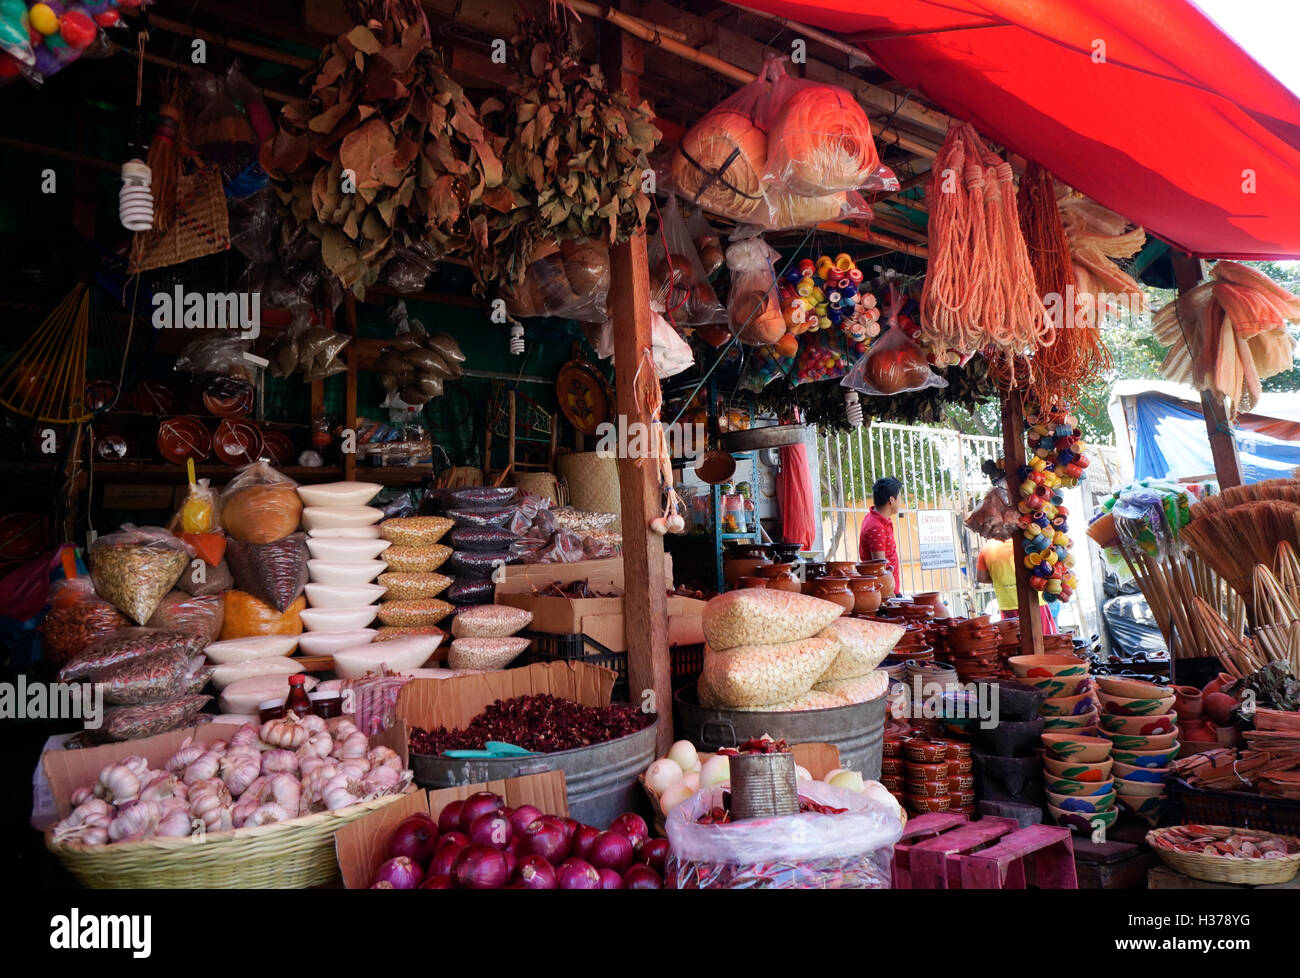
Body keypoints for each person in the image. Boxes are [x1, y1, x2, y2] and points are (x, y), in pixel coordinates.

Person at [976, 538, 1057, 635]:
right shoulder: (1026, 541)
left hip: (1007, 604)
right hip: (1034, 602)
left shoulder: (986, 548)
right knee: (1045, 642)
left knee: (1015, 644)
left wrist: (999, 578)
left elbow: (981, 577)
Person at [859, 476, 903, 596]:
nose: (901, 501)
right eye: (900, 497)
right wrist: (894, 599)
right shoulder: (876, 527)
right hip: (886, 594)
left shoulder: (875, 518)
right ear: (892, 500)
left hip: (889, 590)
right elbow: (879, 570)